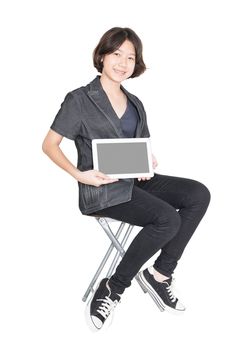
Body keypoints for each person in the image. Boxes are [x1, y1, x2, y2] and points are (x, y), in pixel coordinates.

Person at [42, 27, 211, 331]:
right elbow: (49, 145)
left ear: (137, 63)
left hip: (134, 182)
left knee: (198, 194)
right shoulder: (79, 99)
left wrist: (147, 160)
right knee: (166, 220)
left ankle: (160, 274)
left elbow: (138, 148)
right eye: (117, 53)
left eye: (130, 57)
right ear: (103, 56)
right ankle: (114, 287)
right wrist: (80, 174)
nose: (123, 62)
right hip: (102, 188)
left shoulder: (135, 103)